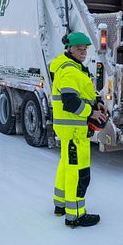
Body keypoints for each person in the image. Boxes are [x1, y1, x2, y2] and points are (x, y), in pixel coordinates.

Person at [50, 31, 108, 228]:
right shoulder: (69, 71)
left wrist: (97, 102)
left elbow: (85, 92)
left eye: (85, 49)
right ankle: (75, 216)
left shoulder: (75, 68)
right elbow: (70, 101)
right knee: (80, 173)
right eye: (79, 49)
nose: (83, 52)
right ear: (69, 49)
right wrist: (91, 113)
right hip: (74, 131)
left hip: (71, 130)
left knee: (66, 166)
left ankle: (60, 205)